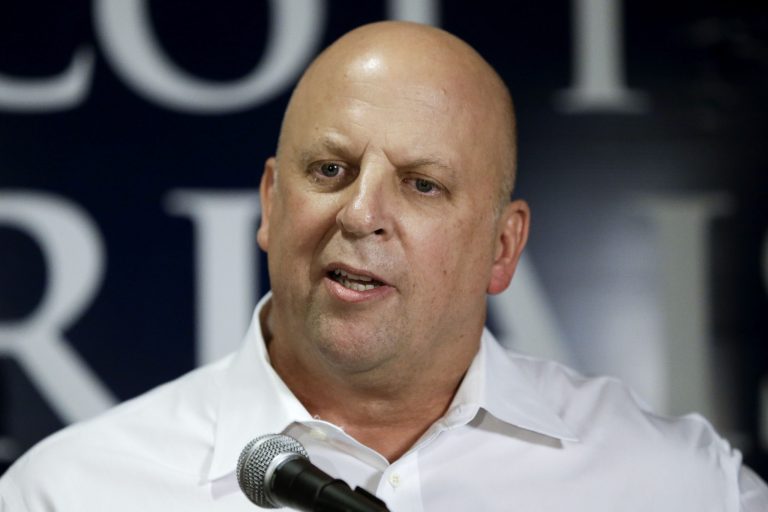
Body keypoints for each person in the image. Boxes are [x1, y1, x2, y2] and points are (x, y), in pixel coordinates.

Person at [1, 21, 766, 512]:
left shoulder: (673, 483)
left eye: (421, 183)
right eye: (330, 170)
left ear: (502, 247)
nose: (361, 213)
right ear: (271, 204)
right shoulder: (67, 493)